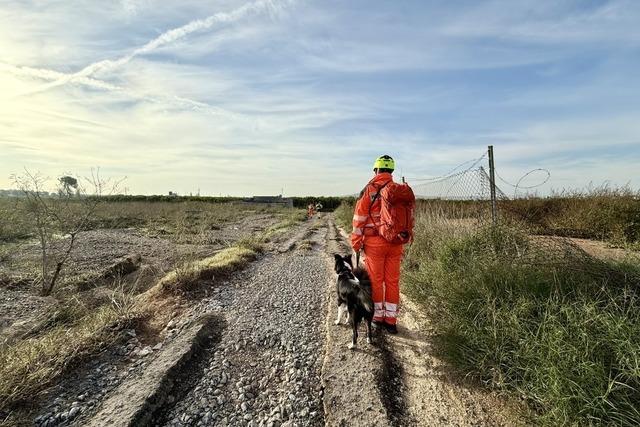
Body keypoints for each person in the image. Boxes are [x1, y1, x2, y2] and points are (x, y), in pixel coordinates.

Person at [351, 155, 404, 334]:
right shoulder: (397, 189)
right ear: (391, 171)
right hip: (395, 243)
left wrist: (356, 243)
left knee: (375, 281)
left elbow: (359, 219)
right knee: (392, 282)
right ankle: (391, 321)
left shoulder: (370, 189)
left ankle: (377, 318)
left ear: (376, 170)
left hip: (374, 244)